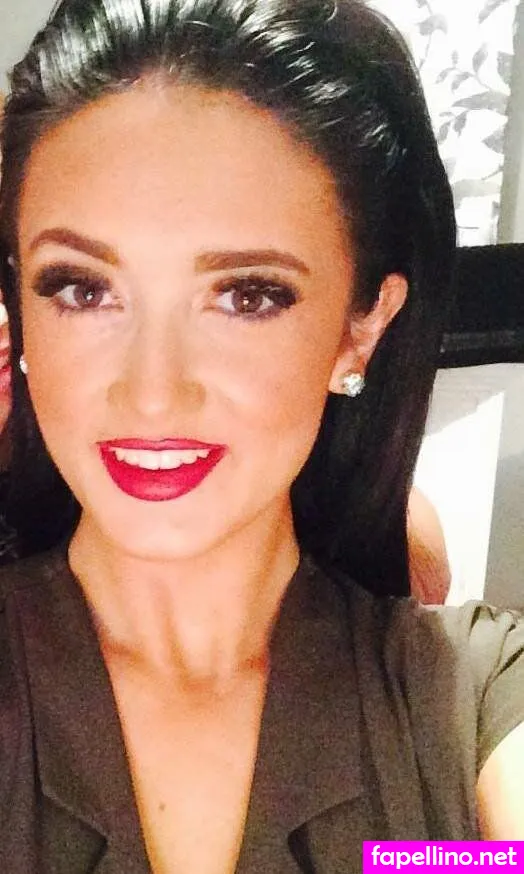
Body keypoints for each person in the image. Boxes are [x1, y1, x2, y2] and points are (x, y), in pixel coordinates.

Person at [0, 1, 522, 870]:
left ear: (361, 327)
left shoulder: (472, 701)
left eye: (247, 295)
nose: (153, 394)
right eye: (83, 290)